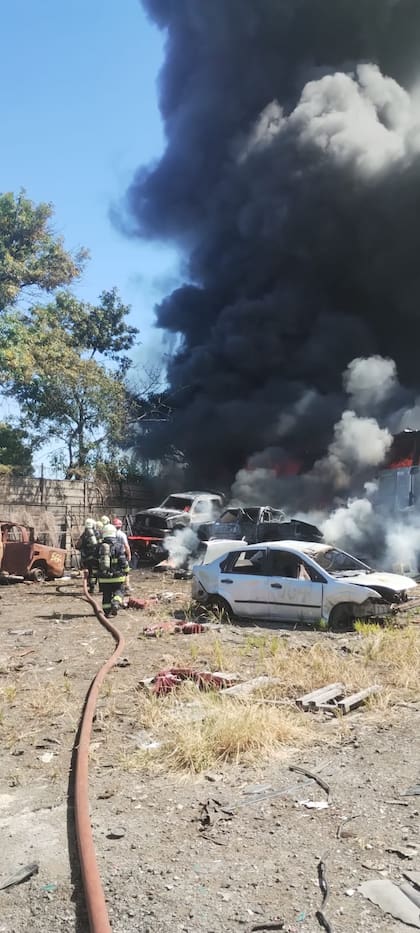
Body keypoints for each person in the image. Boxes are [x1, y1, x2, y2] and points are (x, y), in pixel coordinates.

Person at [97, 523, 129, 617]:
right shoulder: (119, 546)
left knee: (106, 594)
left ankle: (107, 612)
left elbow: (95, 563)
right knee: (119, 591)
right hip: (117, 577)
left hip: (103, 578)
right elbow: (123, 561)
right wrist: (126, 570)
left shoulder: (99, 547)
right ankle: (116, 602)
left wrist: (96, 575)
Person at [76, 518, 99, 594]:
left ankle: (91, 587)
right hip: (96, 557)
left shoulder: (84, 534)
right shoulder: (97, 533)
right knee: (95, 572)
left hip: (86, 557)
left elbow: (78, 545)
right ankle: (99, 587)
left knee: (89, 572)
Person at [112, 517, 132, 593]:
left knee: (115, 570)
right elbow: (126, 546)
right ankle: (127, 586)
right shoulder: (122, 534)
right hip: (121, 555)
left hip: (112, 554)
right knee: (126, 571)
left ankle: (115, 586)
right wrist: (129, 555)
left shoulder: (111, 534)